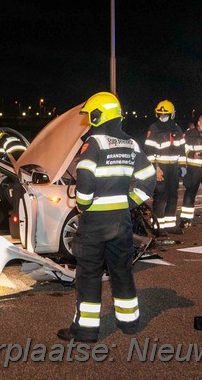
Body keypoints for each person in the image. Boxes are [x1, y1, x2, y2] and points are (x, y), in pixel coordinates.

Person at [57, 92, 156, 343]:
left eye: (91, 115)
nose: (89, 121)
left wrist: (83, 204)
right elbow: (149, 179)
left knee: (88, 274)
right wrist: (129, 202)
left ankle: (86, 331)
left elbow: (86, 176)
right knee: (122, 271)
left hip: (95, 223)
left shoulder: (95, 143)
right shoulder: (131, 144)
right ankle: (130, 323)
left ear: (100, 114)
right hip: (120, 222)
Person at [144, 100, 185, 234]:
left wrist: (183, 166)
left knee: (173, 196)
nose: (163, 116)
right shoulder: (154, 128)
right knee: (160, 196)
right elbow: (149, 151)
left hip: (174, 168)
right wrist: (156, 168)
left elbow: (182, 149)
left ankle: (170, 225)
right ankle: (158, 227)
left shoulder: (177, 128)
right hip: (161, 167)